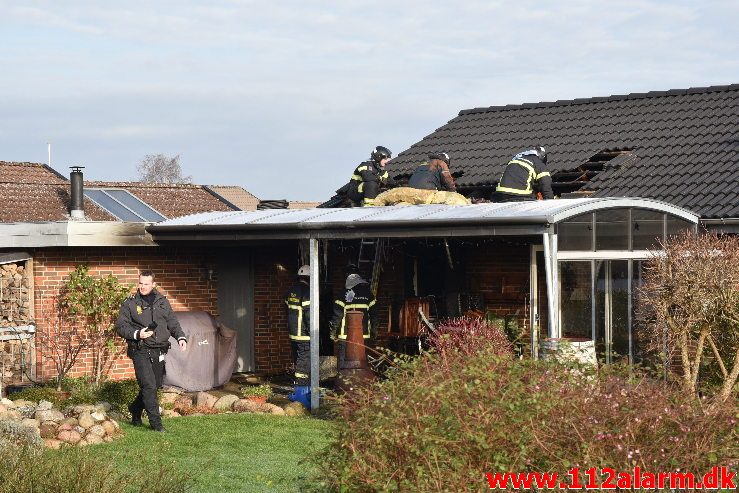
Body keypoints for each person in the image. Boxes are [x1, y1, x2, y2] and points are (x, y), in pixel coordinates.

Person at [115, 270, 187, 432]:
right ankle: (156, 424)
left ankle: (135, 408)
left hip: (159, 350)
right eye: (140, 283)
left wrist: (181, 338)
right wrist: (137, 334)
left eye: (146, 284)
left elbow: (172, 322)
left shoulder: (162, 301)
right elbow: (121, 327)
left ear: (153, 284)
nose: (143, 287)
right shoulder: (130, 303)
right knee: (148, 385)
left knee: (154, 386)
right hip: (140, 349)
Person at [330, 272, 378, 368]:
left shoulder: (342, 295)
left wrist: (333, 331)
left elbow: (337, 315)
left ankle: (342, 380)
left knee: (343, 360)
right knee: (362, 360)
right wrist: (374, 329)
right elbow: (374, 315)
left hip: (345, 335)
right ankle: (361, 381)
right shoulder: (369, 295)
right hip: (364, 335)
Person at [285, 265, 311, 390]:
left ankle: (297, 383)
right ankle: (302, 386)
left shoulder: (290, 291)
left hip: (293, 332)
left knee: (297, 358)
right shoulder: (307, 292)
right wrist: (313, 331)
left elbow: (287, 310)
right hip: (303, 333)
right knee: (304, 359)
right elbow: (309, 314)